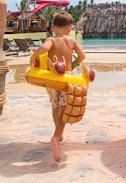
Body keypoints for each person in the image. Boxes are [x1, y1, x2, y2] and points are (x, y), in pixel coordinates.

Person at [29, 11, 85, 162]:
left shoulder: (51, 39)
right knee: (65, 107)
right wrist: (72, 66)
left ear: (53, 27)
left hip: (52, 80)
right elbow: (82, 56)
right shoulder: (71, 41)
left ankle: (58, 133)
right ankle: (56, 135)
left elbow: (44, 48)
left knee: (55, 106)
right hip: (66, 80)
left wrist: (34, 55)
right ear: (70, 28)